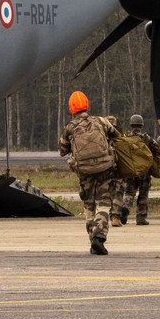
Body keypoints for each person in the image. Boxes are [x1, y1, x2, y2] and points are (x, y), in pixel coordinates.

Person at [58, 90, 120, 255]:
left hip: (84, 171)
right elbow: (116, 135)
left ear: (71, 108)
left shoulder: (70, 128)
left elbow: (63, 150)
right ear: (87, 105)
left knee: (88, 204)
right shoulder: (100, 121)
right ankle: (99, 236)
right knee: (104, 203)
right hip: (105, 167)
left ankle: (93, 239)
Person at [122, 114, 160, 226]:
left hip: (131, 171)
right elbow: (159, 151)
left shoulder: (125, 138)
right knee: (143, 194)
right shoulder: (147, 139)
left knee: (129, 193)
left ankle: (125, 207)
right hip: (145, 172)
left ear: (131, 125)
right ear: (141, 125)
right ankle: (141, 217)